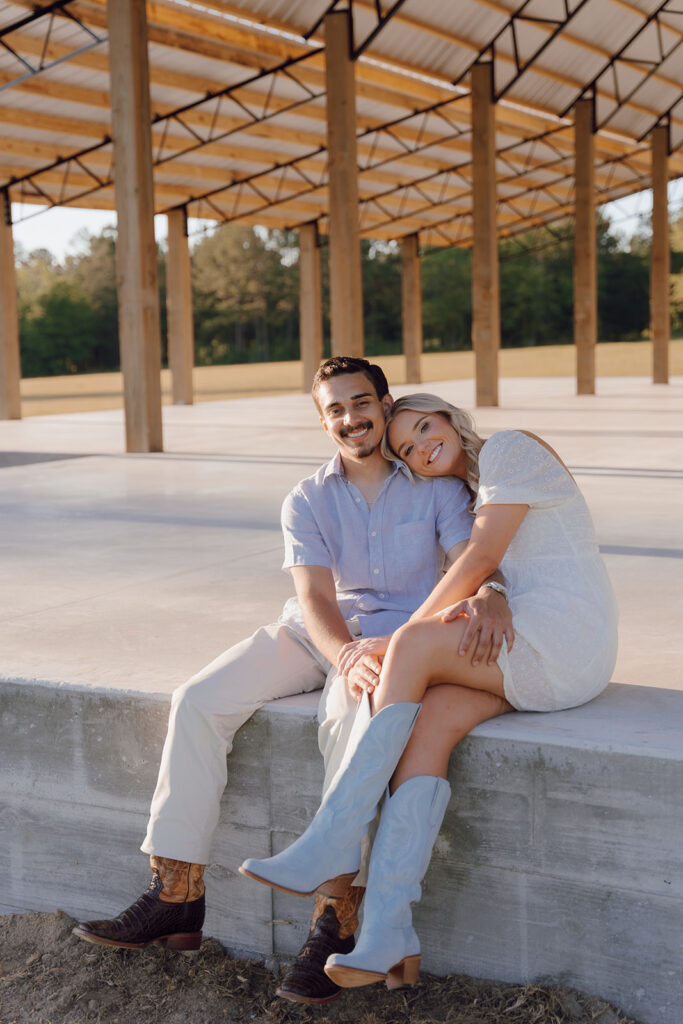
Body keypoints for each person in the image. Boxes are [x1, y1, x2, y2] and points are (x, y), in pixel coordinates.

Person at [73, 364, 511, 1005]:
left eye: (362, 403)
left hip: (400, 638)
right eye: (335, 409)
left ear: (385, 405)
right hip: (321, 633)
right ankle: (177, 891)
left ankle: (336, 918)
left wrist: (481, 601)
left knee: (347, 720)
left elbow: (468, 567)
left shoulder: (433, 489)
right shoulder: (306, 498)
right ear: (323, 418)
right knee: (196, 700)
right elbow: (312, 596)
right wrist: (342, 655)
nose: (350, 418)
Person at [239, 392, 618, 992]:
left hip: (563, 633)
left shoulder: (508, 450)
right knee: (430, 720)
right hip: (523, 644)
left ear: (448, 416)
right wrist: (485, 595)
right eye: (407, 450)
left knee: (412, 644)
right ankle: (391, 931)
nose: (421, 447)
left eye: (423, 427)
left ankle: (335, 835)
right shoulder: (466, 491)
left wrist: (398, 640)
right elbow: (484, 570)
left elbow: (483, 557)